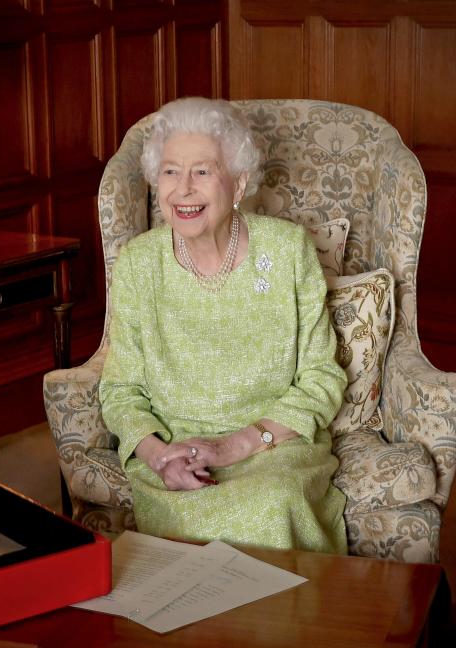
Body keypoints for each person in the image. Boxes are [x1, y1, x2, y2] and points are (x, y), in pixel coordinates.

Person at [98, 97, 348, 553]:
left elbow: (321, 378)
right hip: (175, 456)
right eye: (171, 172)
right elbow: (120, 391)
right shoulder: (138, 263)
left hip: (274, 448)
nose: (184, 189)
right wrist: (159, 458)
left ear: (238, 183)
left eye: (203, 171)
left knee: (272, 505)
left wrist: (236, 446)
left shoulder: (288, 250)